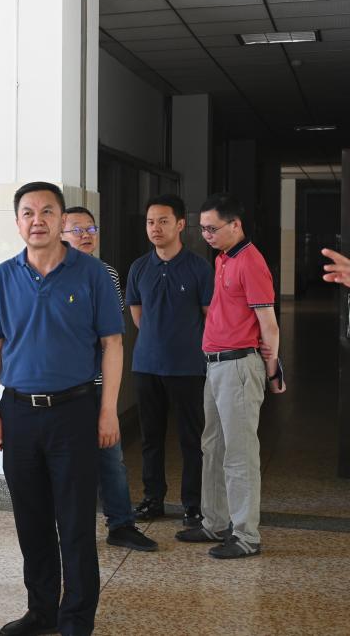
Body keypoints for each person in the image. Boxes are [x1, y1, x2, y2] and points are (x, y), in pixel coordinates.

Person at [0, 182, 123, 636]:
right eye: (28, 212)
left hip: (75, 410)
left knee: (76, 521)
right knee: (32, 520)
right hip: (19, 413)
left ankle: (76, 618)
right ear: (17, 222)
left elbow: (113, 344)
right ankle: (41, 610)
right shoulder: (4, 276)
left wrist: (108, 410)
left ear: (62, 220)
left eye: (47, 211)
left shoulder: (91, 273)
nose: (37, 220)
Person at [176, 193, 284, 559]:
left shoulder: (250, 262)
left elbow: (268, 324)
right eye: (202, 229)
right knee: (213, 447)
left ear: (235, 225)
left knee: (239, 453)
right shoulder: (224, 258)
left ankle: (246, 535)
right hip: (216, 365)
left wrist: (273, 370)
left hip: (238, 366)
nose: (206, 235)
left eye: (212, 229)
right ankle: (215, 521)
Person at [60, 206, 156, 552]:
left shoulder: (107, 273)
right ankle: (71, 528)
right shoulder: (50, 272)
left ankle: (121, 524)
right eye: (77, 230)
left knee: (111, 457)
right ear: (60, 234)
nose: (86, 235)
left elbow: (111, 332)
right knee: (68, 463)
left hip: (98, 383)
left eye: (91, 229)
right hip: (63, 387)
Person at [126, 195, 213, 528]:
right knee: (151, 438)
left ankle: (193, 504)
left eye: (163, 221)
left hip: (188, 366)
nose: (155, 228)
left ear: (180, 225)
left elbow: (209, 316)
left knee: (192, 439)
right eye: (150, 222)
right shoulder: (139, 267)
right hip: (146, 365)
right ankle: (153, 499)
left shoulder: (199, 267)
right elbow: (138, 316)